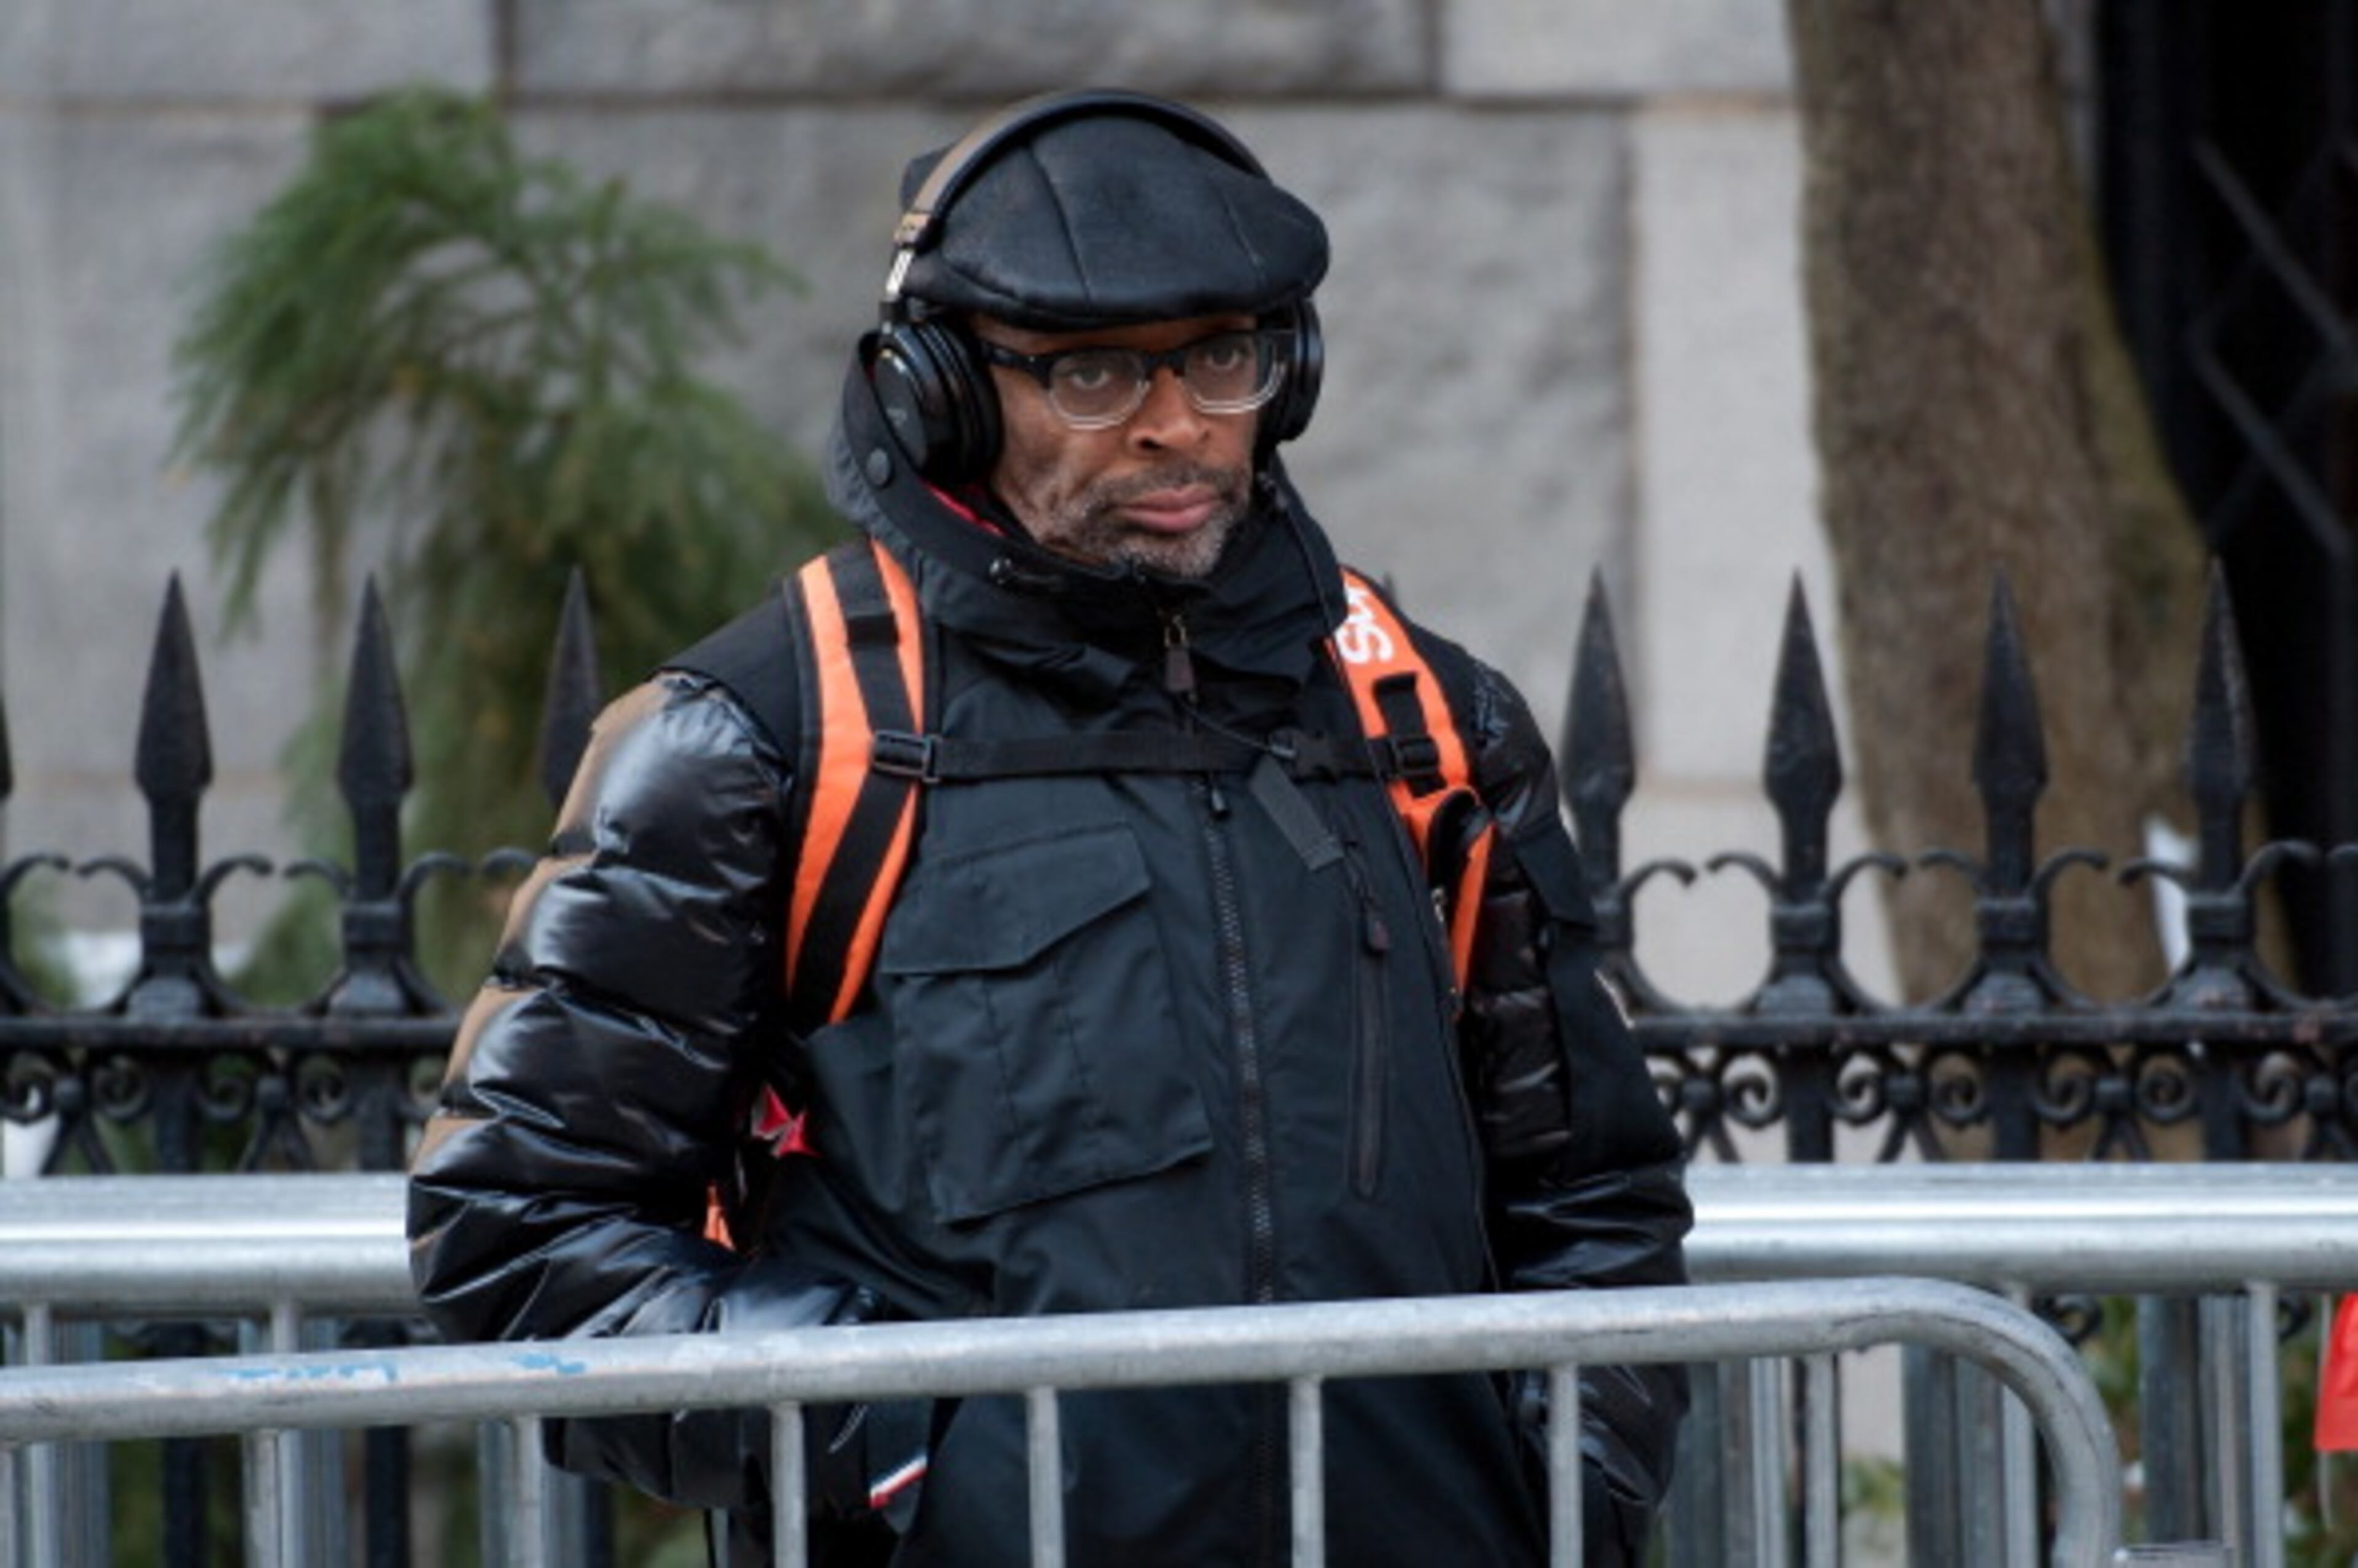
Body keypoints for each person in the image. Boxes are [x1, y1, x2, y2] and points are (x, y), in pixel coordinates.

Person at [408, 88, 1691, 1568]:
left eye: (1225, 357)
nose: (1178, 423)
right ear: (938, 391)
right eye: (1090, 375)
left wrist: (1560, 1499)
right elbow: (518, 1234)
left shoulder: (1423, 714)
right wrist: (912, 1445)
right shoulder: (760, 734)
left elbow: (1591, 1192)